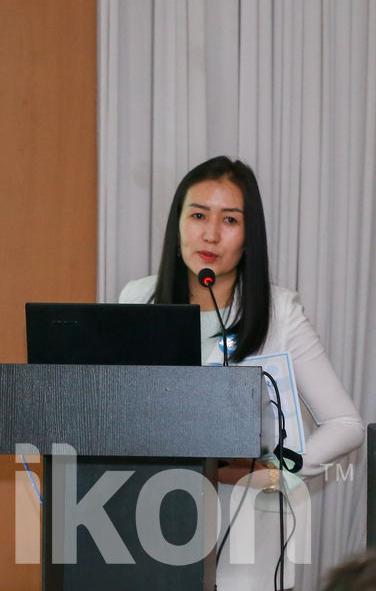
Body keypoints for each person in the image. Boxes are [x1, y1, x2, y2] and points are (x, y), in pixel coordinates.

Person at [120, 156, 363, 590]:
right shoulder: (138, 299)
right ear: (178, 224)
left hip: (249, 547)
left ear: (250, 236)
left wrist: (271, 474)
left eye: (230, 220)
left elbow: (345, 425)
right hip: (152, 529)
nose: (211, 234)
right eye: (198, 216)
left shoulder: (279, 312)